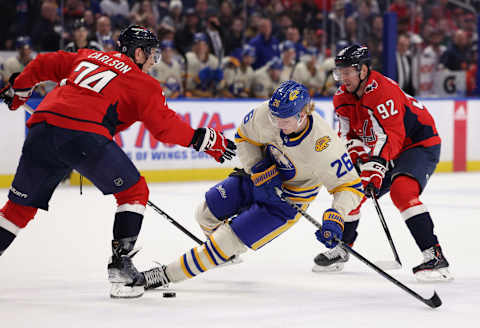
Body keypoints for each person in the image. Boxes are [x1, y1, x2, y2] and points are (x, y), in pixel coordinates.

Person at [0, 25, 236, 299]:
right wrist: (203, 139)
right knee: (134, 192)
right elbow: (164, 127)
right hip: (84, 135)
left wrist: (19, 90)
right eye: (150, 54)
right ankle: (122, 273)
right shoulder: (143, 82)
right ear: (138, 52)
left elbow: (42, 63)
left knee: (16, 211)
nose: (152, 60)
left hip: (41, 128)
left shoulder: (88, 56)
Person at [137, 80, 363, 291]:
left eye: (284, 120)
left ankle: (164, 275)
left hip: (288, 200)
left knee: (224, 242)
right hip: (260, 176)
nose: (277, 124)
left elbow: (350, 186)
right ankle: (224, 253)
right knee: (205, 212)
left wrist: (336, 215)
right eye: (275, 118)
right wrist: (258, 168)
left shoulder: (323, 144)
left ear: (303, 114)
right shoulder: (269, 112)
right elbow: (244, 137)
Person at [312, 45, 452, 282]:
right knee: (353, 189)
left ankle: (434, 255)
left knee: (402, 190)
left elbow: (392, 136)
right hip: (387, 147)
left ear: (364, 69)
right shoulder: (341, 98)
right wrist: (356, 155)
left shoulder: (383, 91)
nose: (343, 78)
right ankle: (343, 247)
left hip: (418, 143)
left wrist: (375, 168)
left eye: (349, 72)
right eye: (340, 72)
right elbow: (346, 133)